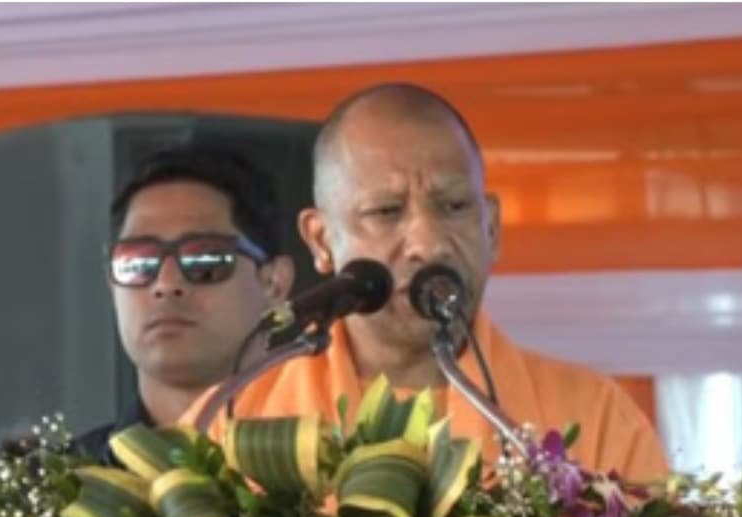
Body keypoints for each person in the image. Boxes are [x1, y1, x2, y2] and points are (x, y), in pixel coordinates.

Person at [182, 83, 667, 480]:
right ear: (322, 241)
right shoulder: (232, 420)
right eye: (386, 212)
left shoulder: (597, 416)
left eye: (453, 206)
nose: (428, 243)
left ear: (491, 228)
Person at [76, 142, 294, 463]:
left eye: (203, 260)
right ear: (112, 286)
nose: (166, 284)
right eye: (137, 263)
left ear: (274, 283)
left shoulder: (330, 465)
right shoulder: (64, 486)